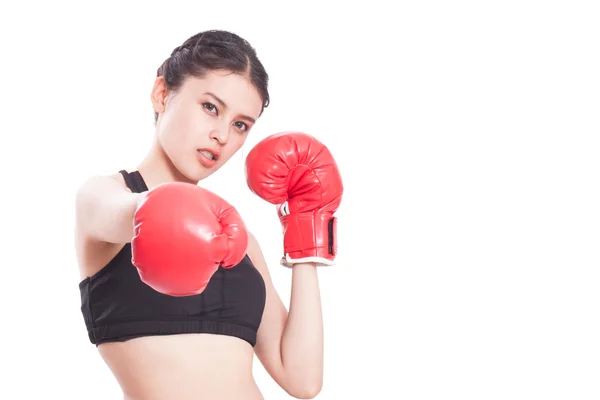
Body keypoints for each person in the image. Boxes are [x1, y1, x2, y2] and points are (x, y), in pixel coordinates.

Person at [74, 29, 343, 400]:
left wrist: (307, 226)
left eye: (240, 125)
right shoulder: (104, 195)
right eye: (210, 107)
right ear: (162, 94)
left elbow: (302, 379)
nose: (221, 135)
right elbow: (128, 215)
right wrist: (162, 212)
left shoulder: (238, 240)